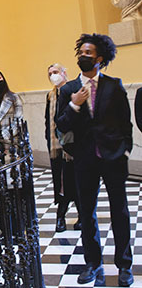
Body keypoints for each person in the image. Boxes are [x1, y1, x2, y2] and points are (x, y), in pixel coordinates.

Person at [56, 33, 133, 286]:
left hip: (113, 158)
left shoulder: (114, 84)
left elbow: (125, 122)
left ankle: (124, 265)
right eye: (81, 53)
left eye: (88, 53)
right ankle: (92, 263)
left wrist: (125, 150)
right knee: (86, 213)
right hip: (84, 159)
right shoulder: (68, 89)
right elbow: (61, 123)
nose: (83, 56)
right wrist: (75, 105)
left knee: (119, 212)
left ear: (99, 58)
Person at [45, 64, 81, 232]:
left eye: (56, 72)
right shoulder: (51, 95)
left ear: (64, 73)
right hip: (56, 146)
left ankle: (82, 216)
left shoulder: (74, 89)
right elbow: (49, 121)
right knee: (60, 184)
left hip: (73, 145)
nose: (53, 75)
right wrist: (49, 140)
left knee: (76, 181)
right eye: (50, 73)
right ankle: (61, 217)